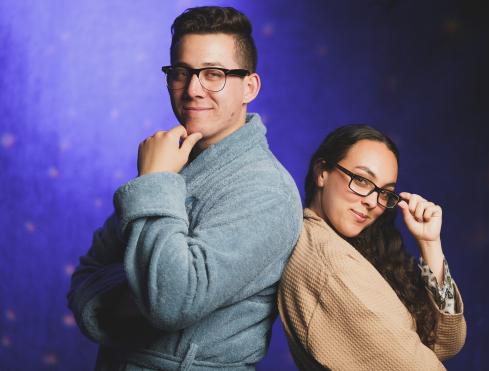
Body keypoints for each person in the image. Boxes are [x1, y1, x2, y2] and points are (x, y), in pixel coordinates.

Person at [67, 6, 302, 370]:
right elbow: (88, 273)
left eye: (214, 74)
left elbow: (170, 301)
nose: (193, 89)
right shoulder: (174, 161)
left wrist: (154, 182)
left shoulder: (266, 189)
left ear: (249, 88)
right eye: (181, 72)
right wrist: (138, 291)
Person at [278, 125, 466, 370]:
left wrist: (430, 245)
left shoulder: (354, 249)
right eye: (361, 180)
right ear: (322, 172)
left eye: (384, 192)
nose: (370, 201)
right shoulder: (331, 263)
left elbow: (447, 342)